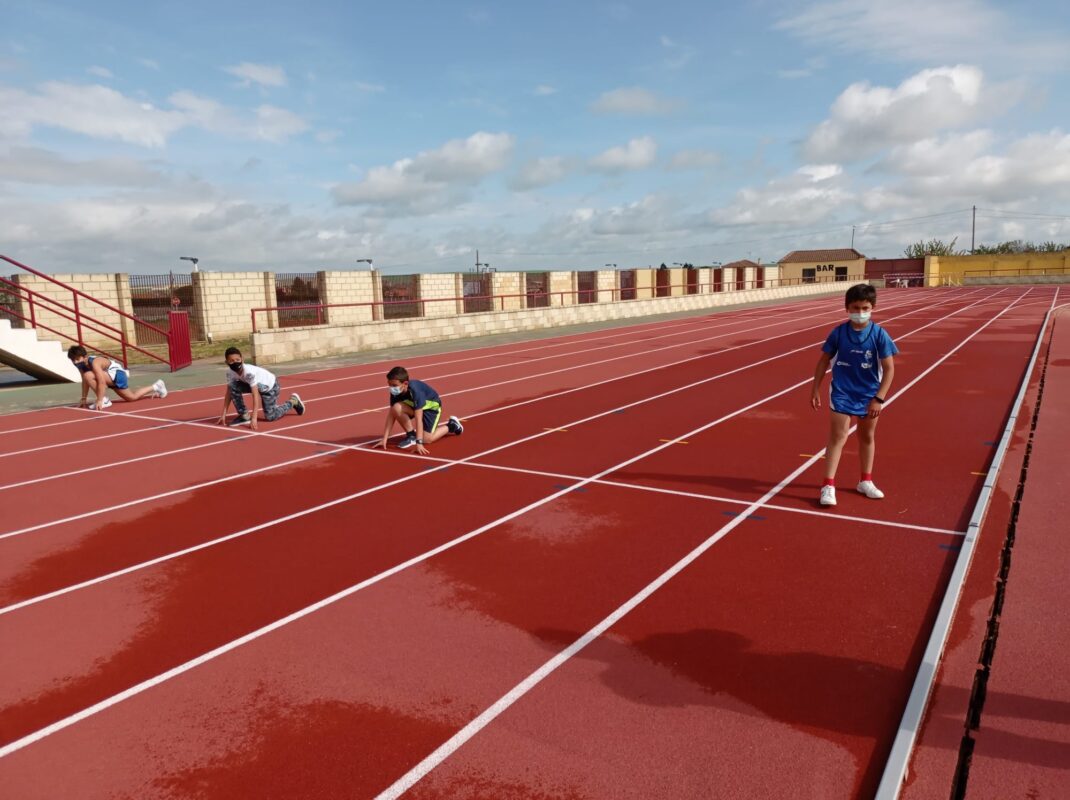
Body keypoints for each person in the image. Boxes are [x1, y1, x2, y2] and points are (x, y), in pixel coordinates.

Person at [810, 283, 898, 507]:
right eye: (855, 308)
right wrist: (815, 388)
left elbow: (889, 369)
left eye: (865, 308)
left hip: (869, 395)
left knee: (866, 437)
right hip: (842, 392)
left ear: (873, 308)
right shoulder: (838, 333)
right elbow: (823, 361)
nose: (860, 312)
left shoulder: (879, 335)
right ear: (847, 308)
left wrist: (879, 398)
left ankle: (865, 481)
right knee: (838, 437)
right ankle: (828, 486)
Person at [373, 366, 463, 455]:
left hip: (431, 408)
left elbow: (418, 419)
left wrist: (419, 443)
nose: (391, 388)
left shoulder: (415, 391)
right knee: (396, 408)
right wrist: (385, 438)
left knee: (427, 439)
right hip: (414, 406)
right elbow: (391, 414)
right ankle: (411, 435)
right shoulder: (395, 393)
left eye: (394, 385)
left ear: (405, 383)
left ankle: (452, 425)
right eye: (389, 385)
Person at [216, 347, 304, 431]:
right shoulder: (230, 373)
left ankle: (293, 402)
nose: (235, 362)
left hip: (270, 387)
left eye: (237, 360)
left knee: (270, 417)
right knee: (232, 386)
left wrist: (254, 418)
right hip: (256, 386)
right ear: (226, 362)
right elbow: (229, 392)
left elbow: (255, 395)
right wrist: (223, 414)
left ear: (242, 359)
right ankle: (244, 415)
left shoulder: (249, 373)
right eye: (231, 361)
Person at [68, 345, 167, 410]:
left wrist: (100, 399)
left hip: (117, 374)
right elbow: (85, 381)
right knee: (132, 398)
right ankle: (157, 386)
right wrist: (83, 398)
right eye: (73, 360)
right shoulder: (80, 365)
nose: (75, 362)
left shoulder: (95, 362)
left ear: (85, 357)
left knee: (88, 375)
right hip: (109, 377)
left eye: (77, 359)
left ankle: (105, 400)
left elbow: (101, 382)